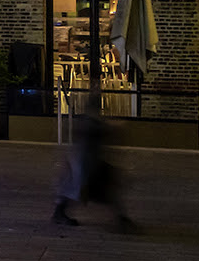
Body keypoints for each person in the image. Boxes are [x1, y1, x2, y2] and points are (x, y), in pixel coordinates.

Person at [53, 89, 137, 232]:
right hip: (86, 163)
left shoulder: (90, 122)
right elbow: (99, 131)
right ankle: (120, 218)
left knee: (96, 189)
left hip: (89, 162)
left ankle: (120, 217)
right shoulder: (91, 123)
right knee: (88, 188)